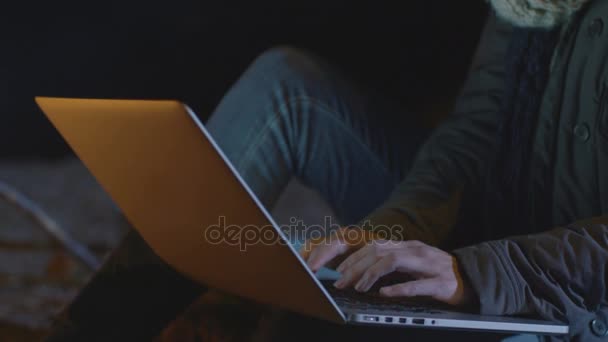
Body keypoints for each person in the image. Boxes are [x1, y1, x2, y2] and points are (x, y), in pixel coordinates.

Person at [45, 0, 608, 341]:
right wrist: (384, 234)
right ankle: (93, 331)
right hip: (496, 230)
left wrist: (481, 276)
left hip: (574, 293)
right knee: (287, 88)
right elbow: (477, 129)